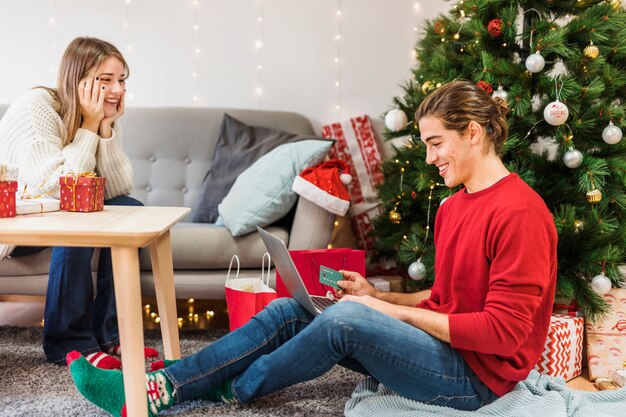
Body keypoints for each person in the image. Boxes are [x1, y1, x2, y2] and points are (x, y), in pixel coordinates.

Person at [67, 80, 557, 416]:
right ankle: (171, 382)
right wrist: (380, 296)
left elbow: (502, 335)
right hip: (444, 348)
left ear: (472, 132)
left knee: (344, 320)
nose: (429, 158)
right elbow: (447, 297)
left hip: (476, 380)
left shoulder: (520, 213)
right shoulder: (455, 206)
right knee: (292, 308)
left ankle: (210, 387)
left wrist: (386, 316)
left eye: (435, 143)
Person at [0, 37, 157, 369]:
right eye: (106, 80)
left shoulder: (100, 114)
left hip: (54, 215)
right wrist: (87, 125)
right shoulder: (37, 107)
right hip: (17, 223)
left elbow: (116, 187)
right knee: (77, 216)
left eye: (122, 80)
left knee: (130, 209)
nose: (117, 89)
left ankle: (111, 336)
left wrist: (104, 127)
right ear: (78, 79)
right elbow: (53, 188)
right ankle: (68, 343)